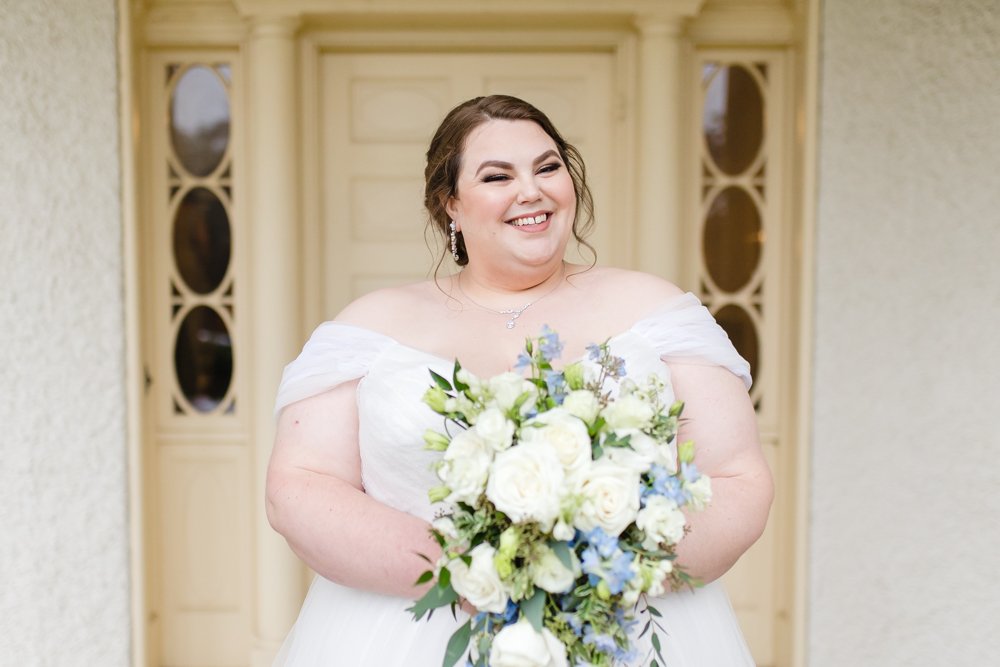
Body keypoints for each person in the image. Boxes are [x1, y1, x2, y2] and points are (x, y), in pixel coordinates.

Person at [266, 95, 773, 666]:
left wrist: (602, 566)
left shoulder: (657, 312)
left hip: (618, 625)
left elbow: (736, 478)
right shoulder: (368, 327)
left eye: (548, 167)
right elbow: (299, 488)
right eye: (497, 176)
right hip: (407, 634)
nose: (531, 191)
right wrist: (466, 571)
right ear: (449, 203)